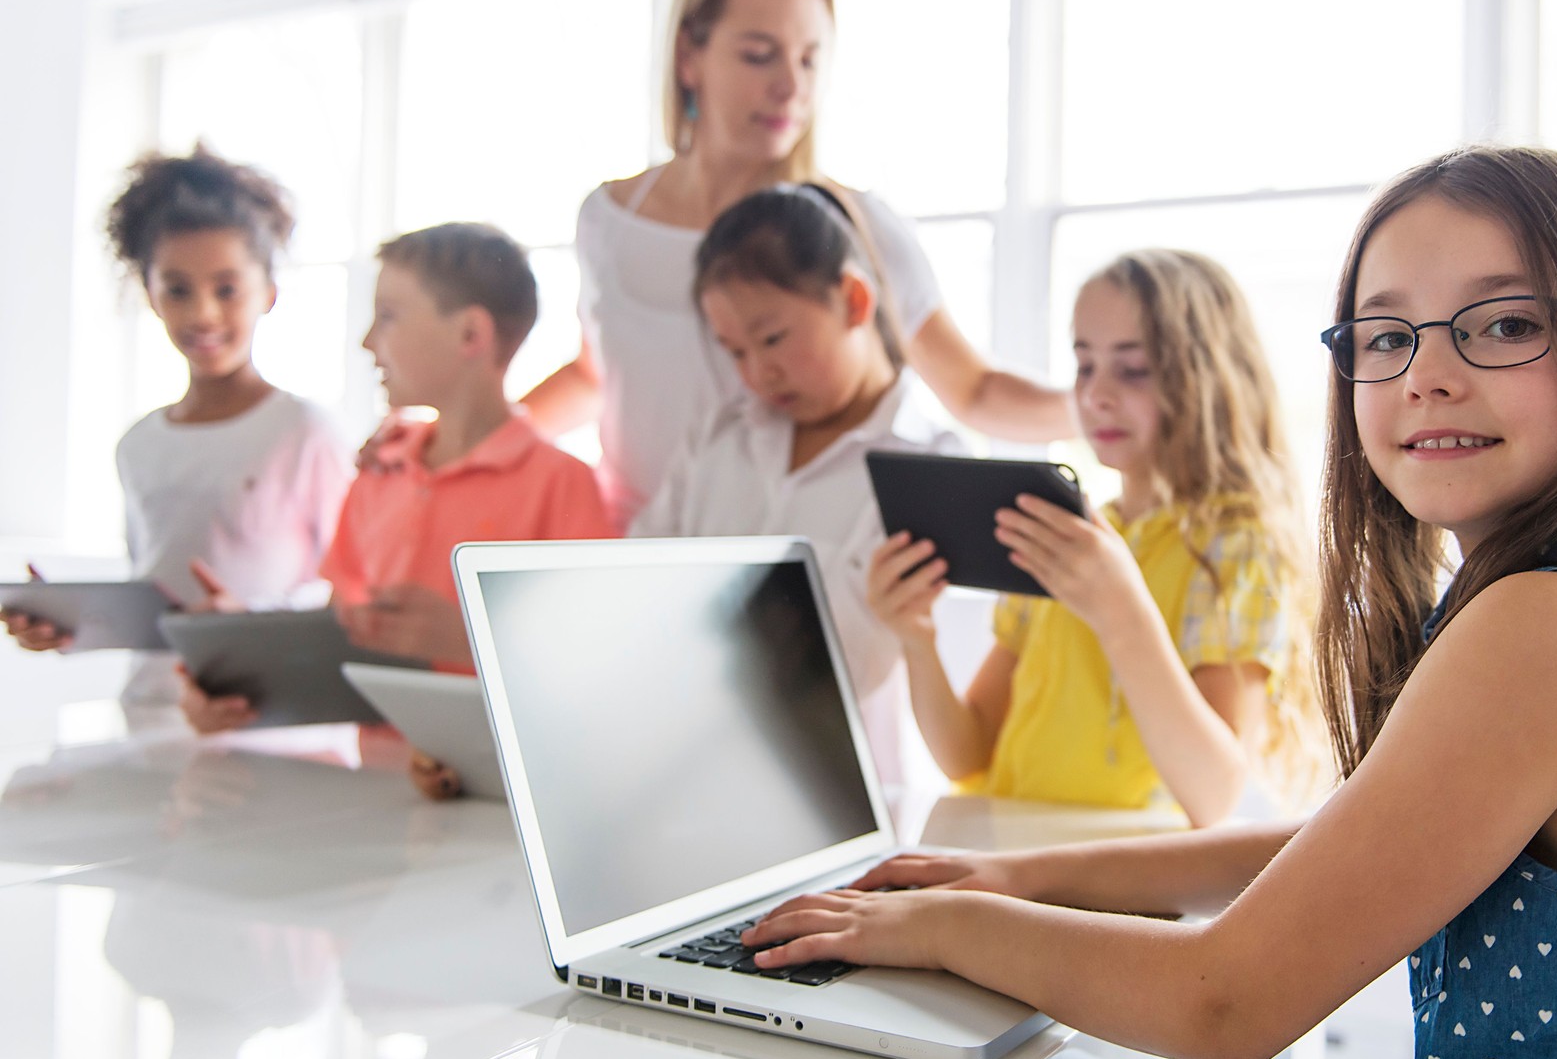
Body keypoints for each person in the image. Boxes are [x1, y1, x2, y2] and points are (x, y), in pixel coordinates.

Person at [742, 146, 1557, 1059]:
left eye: (1502, 325)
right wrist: (1022, 874)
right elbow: (1344, 846)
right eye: (1385, 335)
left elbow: (1226, 1003)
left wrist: (944, 922)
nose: (1428, 375)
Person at [519, 0, 1072, 529]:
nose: (792, 86)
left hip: (779, 560)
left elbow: (973, 391)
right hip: (631, 545)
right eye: (760, 55)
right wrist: (464, 440)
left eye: (810, 58)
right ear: (688, 57)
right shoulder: (608, 218)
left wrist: (1106, 409)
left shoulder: (851, 226)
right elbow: (595, 375)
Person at [865, 250, 1323, 827]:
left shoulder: (1237, 544)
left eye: (1133, 370)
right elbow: (967, 753)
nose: (1096, 394)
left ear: (1208, 376)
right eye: (1084, 366)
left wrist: (1118, 610)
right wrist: (917, 638)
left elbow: (1213, 795)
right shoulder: (1066, 535)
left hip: (1122, 873)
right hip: (1010, 851)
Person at [181, 222, 614, 746]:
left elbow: (598, 666)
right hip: (379, 791)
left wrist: (469, 641)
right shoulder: (379, 474)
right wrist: (247, 651)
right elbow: (341, 631)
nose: (366, 342)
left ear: (471, 335)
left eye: (387, 317)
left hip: (498, 799)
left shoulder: (563, 485)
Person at [629, 184, 964, 796]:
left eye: (774, 338)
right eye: (735, 351)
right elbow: (636, 577)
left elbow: (856, 661)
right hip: (672, 764)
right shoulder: (721, 437)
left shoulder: (930, 469)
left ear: (854, 300)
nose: (759, 373)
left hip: (822, 786)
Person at [4, 147, 348, 654]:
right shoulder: (138, 444)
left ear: (268, 292)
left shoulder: (305, 432)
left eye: (226, 289)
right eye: (178, 289)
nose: (203, 314)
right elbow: (154, 598)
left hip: (274, 719)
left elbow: (349, 594)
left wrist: (246, 621)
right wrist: (72, 624)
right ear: (150, 294)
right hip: (152, 711)